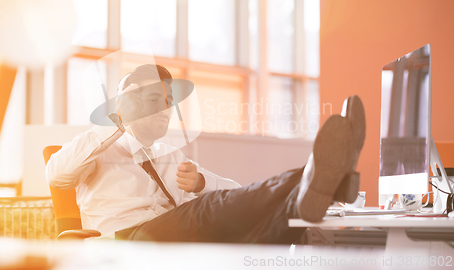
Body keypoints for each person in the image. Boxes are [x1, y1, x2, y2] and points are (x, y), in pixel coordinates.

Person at [46, 64, 365, 244]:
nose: (166, 110)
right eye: (155, 100)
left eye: (169, 101)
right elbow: (56, 174)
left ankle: (318, 185)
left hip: (170, 242)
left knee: (259, 230)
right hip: (124, 244)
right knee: (206, 211)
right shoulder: (97, 150)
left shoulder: (168, 155)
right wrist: (115, 122)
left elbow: (235, 196)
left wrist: (200, 182)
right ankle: (317, 175)